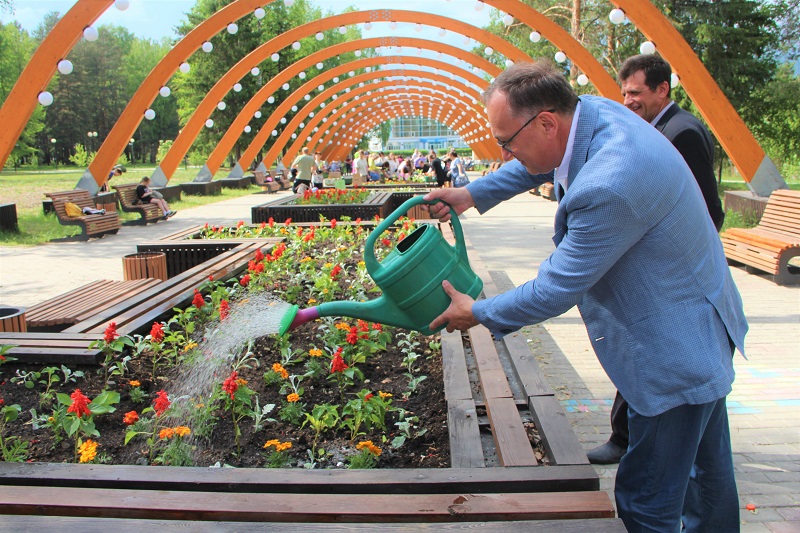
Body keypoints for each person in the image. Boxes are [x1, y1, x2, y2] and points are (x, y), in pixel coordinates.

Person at [423, 61, 746, 532]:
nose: (505, 151)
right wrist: (471, 194)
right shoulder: (589, 113)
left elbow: (556, 286)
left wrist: (479, 312)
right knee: (706, 482)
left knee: (647, 499)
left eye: (506, 141)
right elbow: (541, 161)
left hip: (672, 353)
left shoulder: (613, 182)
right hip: (701, 328)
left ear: (546, 121)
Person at [583, 54, 729, 467]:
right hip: (671, 278)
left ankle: (629, 441)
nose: (627, 101)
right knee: (642, 357)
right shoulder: (653, 127)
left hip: (680, 279)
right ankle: (625, 436)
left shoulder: (681, 132)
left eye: (636, 93)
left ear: (662, 90)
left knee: (655, 363)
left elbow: (704, 211)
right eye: (623, 93)